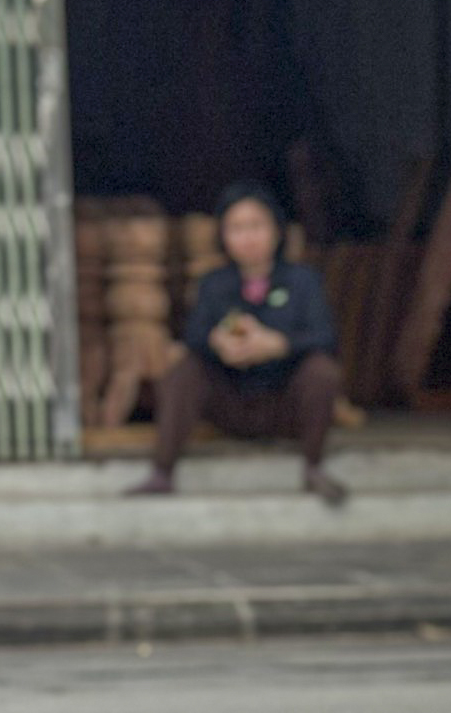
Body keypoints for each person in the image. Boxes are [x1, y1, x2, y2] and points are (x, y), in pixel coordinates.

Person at [130, 183, 345, 498]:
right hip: (230, 401)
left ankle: (314, 466)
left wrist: (277, 344)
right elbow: (193, 335)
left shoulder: (303, 280)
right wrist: (219, 343)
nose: (248, 238)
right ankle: (162, 471)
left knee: (321, 370)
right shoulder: (214, 283)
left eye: (256, 226)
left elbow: (325, 336)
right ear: (223, 236)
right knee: (184, 369)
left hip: (283, 403)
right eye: (237, 229)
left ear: (277, 230)